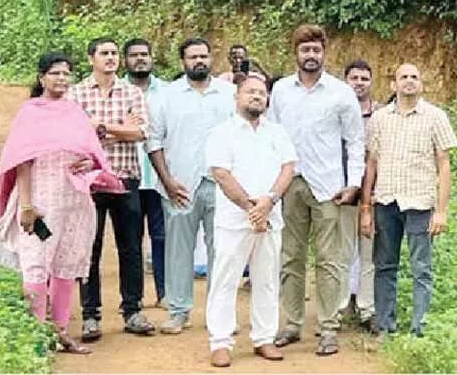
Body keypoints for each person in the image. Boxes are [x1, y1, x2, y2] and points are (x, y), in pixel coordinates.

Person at [0, 52, 125, 354]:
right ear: (41, 77)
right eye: (56, 73)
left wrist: (89, 163)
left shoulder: (75, 112)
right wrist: (28, 205)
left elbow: (94, 154)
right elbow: (22, 160)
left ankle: (60, 332)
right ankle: (37, 335)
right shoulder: (30, 112)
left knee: (67, 264)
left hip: (75, 199)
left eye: (67, 73)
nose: (62, 78)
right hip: (42, 199)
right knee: (36, 263)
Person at [268, 25, 364, 356]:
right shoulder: (280, 90)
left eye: (316, 50)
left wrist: (353, 183)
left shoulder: (340, 92)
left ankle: (328, 328)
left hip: (329, 187)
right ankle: (292, 324)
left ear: (325, 53)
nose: (311, 55)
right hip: (290, 183)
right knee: (290, 256)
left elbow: (355, 140)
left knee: (330, 260)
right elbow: (271, 137)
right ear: (295, 52)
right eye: (305, 50)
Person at [204, 73, 298, 367]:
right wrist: (250, 207)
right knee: (225, 279)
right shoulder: (222, 132)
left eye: (261, 93)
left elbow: (288, 169)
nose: (257, 97)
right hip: (235, 219)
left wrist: (268, 202)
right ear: (237, 97)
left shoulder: (277, 133)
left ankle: (263, 338)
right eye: (250, 92)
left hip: (270, 216)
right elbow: (221, 173)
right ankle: (220, 342)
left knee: (267, 279)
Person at [147, 37, 237, 334]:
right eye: (192, 57)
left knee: (221, 251)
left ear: (212, 57)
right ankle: (178, 311)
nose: (199, 61)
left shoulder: (229, 94)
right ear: (182, 62)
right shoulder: (167, 96)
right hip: (180, 185)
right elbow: (154, 140)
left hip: (221, 185)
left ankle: (218, 315)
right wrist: (167, 181)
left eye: (204, 55)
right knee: (178, 250)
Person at [361, 63, 457, 338]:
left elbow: (444, 165)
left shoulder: (435, 117)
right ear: (393, 84)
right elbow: (371, 164)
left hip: (419, 203)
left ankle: (420, 329)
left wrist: (441, 211)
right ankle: (385, 326)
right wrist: (366, 208)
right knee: (385, 266)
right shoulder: (380, 119)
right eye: (403, 77)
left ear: (422, 84)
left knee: (421, 269)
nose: (409, 81)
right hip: (386, 201)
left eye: (414, 77)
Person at [69, 38, 155, 340]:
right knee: (89, 249)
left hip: (125, 177)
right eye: (104, 53)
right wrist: (121, 128)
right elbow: (75, 137)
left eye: (114, 53)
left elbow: (141, 132)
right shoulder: (75, 93)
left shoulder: (131, 92)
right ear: (91, 57)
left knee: (130, 246)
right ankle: (90, 315)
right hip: (89, 180)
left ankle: (132, 310)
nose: (110, 58)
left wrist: (101, 128)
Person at [123, 38, 167, 308]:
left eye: (145, 54)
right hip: (128, 174)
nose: (140, 59)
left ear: (152, 58)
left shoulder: (169, 91)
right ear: (125, 60)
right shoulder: (116, 91)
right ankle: (134, 298)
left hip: (160, 177)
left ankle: (165, 292)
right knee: (131, 240)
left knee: (162, 236)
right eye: (134, 55)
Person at [341, 59, 380, 330]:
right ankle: (339, 308)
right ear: (346, 80)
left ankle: (367, 309)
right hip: (342, 191)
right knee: (341, 254)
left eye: (364, 78)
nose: (359, 83)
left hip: (374, 192)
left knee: (369, 254)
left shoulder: (381, 115)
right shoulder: (337, 109)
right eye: (354, 78)